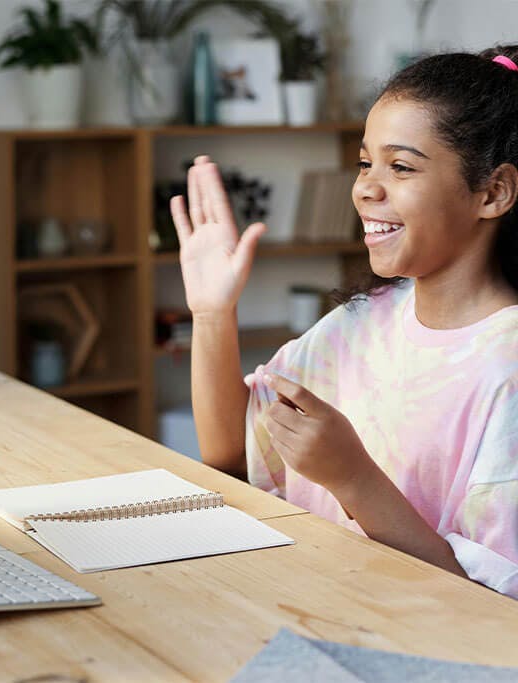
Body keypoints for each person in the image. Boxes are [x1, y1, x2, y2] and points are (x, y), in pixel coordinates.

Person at [169, 46, 518, 599]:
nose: (366, 189)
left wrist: (351, 477)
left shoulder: (508, 368)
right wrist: (213, 313)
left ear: (493, 192)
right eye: (364, 163)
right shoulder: (360, 323)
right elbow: (230, 452)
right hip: (321, 610)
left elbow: (494, 608)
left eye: (400, 166)